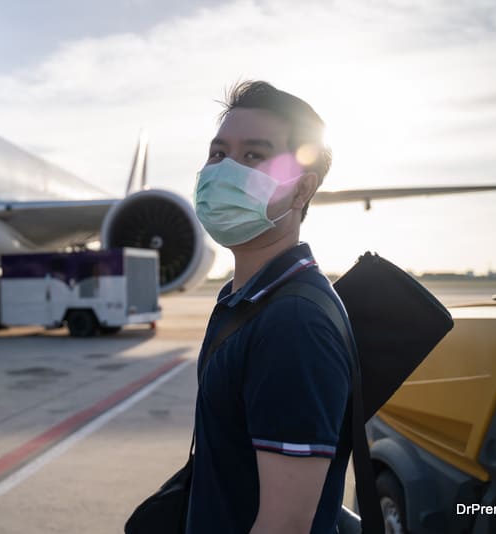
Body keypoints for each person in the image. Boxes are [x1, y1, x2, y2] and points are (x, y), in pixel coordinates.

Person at [186, 80, 352, 533]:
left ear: (301, 192)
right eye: (218, 154)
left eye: (254, 157)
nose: (223, 172)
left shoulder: (293, 323)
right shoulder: (248, 299)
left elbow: (285, 525)